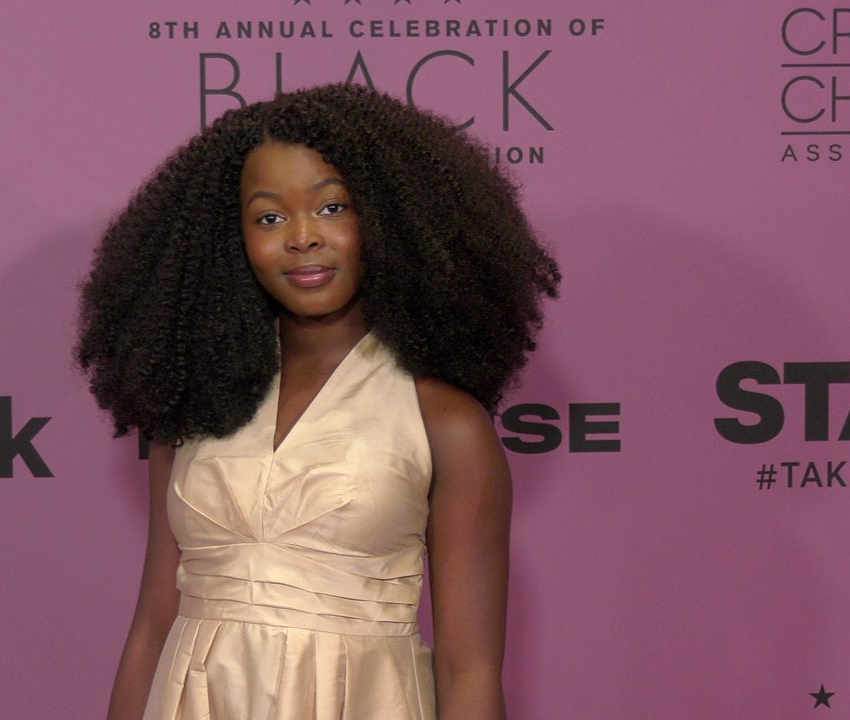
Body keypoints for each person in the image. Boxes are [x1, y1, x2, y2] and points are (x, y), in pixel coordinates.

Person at [77, 83, 559, 720]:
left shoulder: (443, 421)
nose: (302, 237)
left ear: (389, 220)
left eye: (332, 208)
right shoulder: (195, 408)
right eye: (269, 217)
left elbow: (467, 670)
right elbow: (151, 630)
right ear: (229, 241)